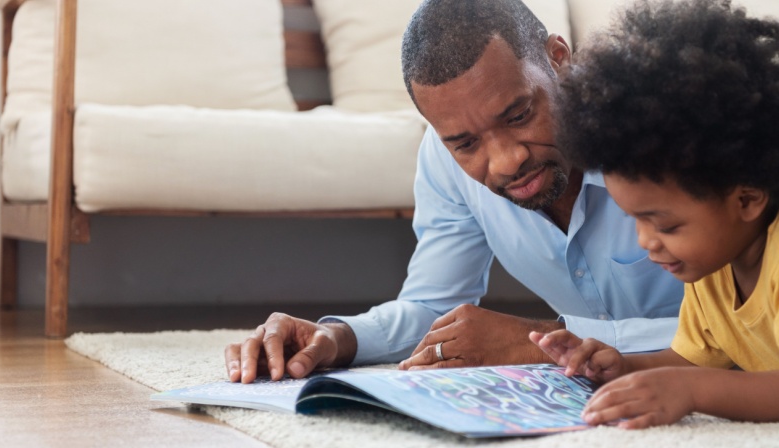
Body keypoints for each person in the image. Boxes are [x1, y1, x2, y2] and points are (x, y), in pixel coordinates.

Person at [224, 0, 684, 383]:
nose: (507, 161)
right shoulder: (443, 157)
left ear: (558, 59)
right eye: (465, 143)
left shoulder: (673, 135)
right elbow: (433, 307)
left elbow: (749, 325)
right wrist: (343, 338)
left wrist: (539, 342)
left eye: (519, 115)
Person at [531, 0, 779, 430]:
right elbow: (687, 359)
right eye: (635, 219)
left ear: (747, 199)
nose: (646, 242)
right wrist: (620, 365)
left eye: (666, 224)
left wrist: (689, 389)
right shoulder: (714, 259)